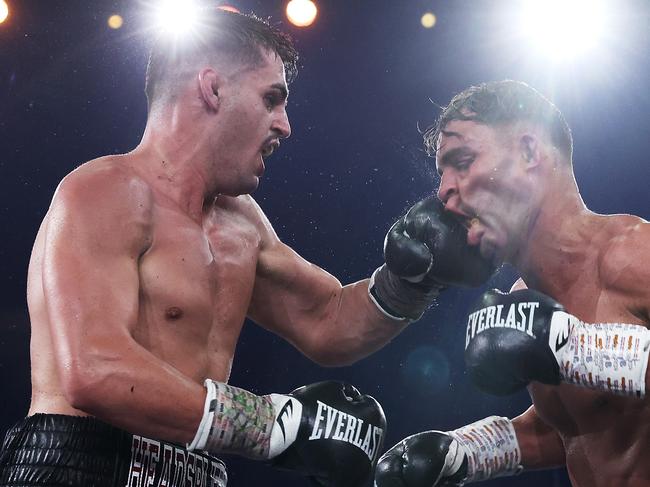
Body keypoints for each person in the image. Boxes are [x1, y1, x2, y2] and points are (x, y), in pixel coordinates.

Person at [0, 8, 495, 487]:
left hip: (195, 469)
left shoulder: (242, 224)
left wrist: (414, 278)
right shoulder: (106, 190)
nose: (285, 125)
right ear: (212, 88)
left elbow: (328, 321)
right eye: (271, 99)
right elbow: (93, 371)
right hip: (81, 463)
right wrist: (275, 427)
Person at [375, 80, 650, 486]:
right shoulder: (524, 303)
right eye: (442, 172)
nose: (444, 189)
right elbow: (580, 424)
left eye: (463, 160)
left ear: (528, 152)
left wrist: (579, 353)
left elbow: (580, 359)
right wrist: (466, 452)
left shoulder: (634, 254)